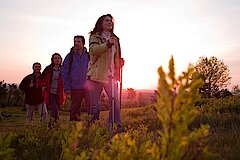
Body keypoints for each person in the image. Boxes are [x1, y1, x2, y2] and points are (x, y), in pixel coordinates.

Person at [87, 14, 124, 131]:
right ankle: (93, 128)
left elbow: (116, 57)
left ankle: (114, 125)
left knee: (115, 103)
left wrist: (120, 62)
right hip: (96, 76)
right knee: (96, 105)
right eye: (106, 20)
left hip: (111, 76)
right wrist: (107, 44)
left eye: (111, 21)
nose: (109, 22)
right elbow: (93, 51)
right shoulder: (94, 37)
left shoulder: (116, 38)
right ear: (101, 23)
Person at [62, 35, 90, 121]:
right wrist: (66, 87)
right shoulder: (69, 56)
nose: (76, 43)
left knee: (91, 108)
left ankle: (92, 127)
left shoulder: (89, 55)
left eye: (78, 41)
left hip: (89, 87)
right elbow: (64, 72)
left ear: (83, 43)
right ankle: (74, 129)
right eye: (75, 41)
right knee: (74, 110)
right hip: (75, 87)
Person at [41, 53, 65, 124]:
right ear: (52, 60)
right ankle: (52, 126)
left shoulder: (63, 69)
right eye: (55, 58)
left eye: (58, 58)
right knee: (54, 109)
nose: (57, 59)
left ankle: (53, 126)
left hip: (60, 93)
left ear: (61, 60)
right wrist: (44, 85)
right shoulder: (48, 69)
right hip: (50, 92)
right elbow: (42, 79)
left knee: (56, 110)